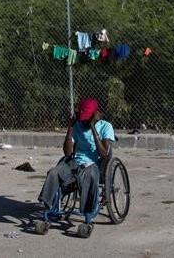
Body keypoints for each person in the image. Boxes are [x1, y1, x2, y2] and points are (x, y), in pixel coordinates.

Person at [37, 97, 115, 231]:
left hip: (94, 163)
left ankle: (87, 214)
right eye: (81, 118)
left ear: (95, 116)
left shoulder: (105, 127)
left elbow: (105, 154)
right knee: (54, 172)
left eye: (86, 119)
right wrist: (70, 127)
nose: (83, 122)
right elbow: (67, 153)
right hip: (75, 162)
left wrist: (93, 128)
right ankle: (47, 207)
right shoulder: (77, 125)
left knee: (89, 175)